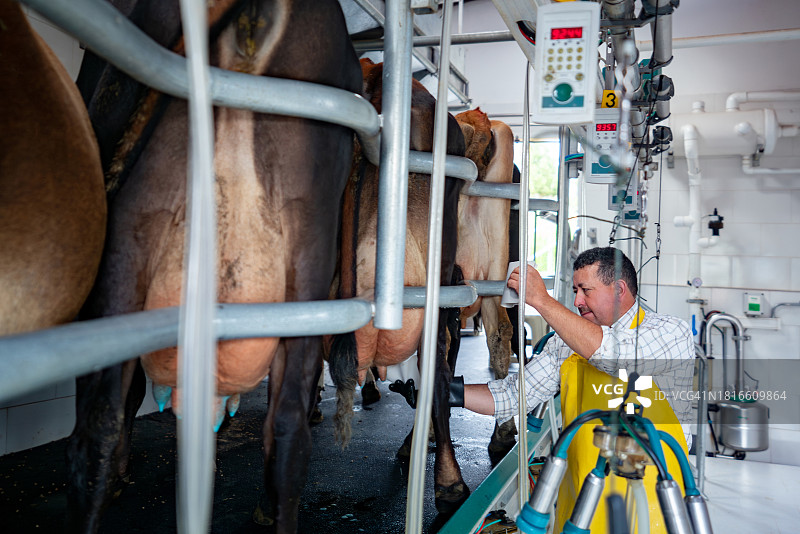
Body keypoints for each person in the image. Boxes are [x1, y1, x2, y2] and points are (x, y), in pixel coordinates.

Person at [456, 246, 695, 448]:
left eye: (585, 291)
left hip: (657, 483)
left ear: (619, 290)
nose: (577, 301)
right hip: (585, 484)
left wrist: (541, 300)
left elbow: (613, 355)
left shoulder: (671, 332)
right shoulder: (565, 343)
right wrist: (448, 391)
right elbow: (511, 396)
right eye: (575, 291)